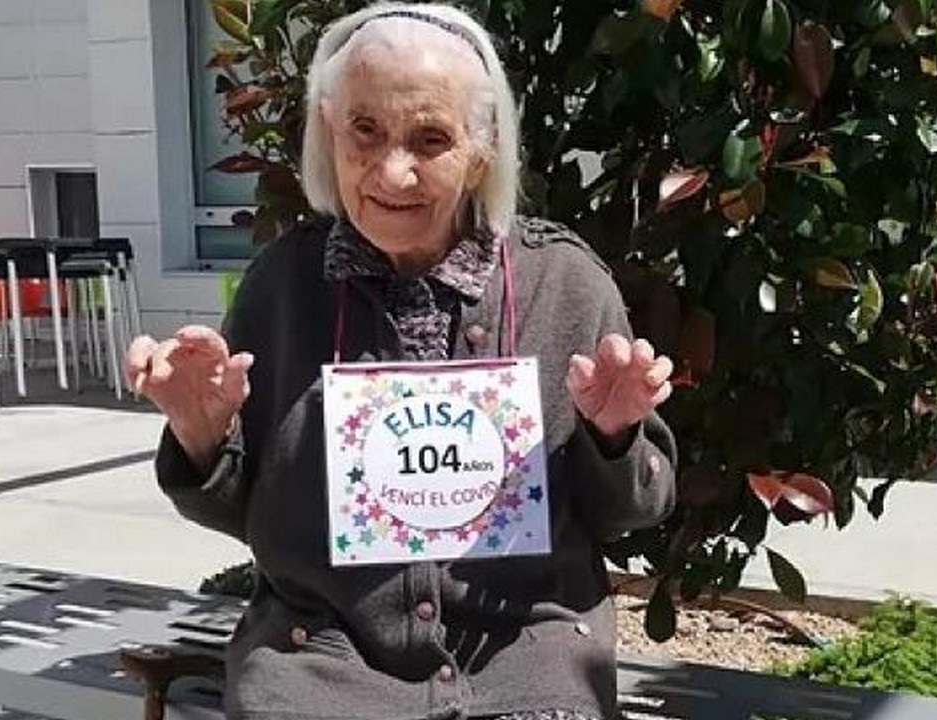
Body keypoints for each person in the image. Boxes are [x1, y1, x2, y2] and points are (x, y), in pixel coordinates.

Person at [125, 3, 678, 719]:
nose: (393, 171)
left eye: (430, 138)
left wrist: (615, 437)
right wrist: (201, 439)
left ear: (481, 150)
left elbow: (631, 510)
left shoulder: (563, 283)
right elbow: (245, 515)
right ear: (329, 129)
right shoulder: (282, 287)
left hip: (525, 655)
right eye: (365, 129)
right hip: (321, 662)